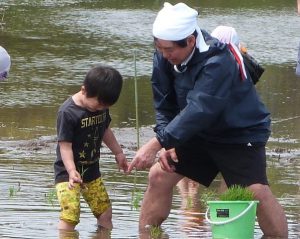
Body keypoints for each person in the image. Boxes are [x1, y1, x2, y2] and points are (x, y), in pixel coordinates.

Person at [127, 2, 288, 238]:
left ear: (190, 41)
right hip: (195, 133)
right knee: (159, 175)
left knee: (255, 190)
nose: (164, 54)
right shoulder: (164, 56)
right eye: (159, 47)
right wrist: (167, 140)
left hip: (238, 132)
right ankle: (148, 235)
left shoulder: (219, 59)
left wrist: (156, 143)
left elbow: (200, 109)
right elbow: (164, 102)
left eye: (169, 49)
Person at [54, 64, 128, 232]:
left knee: (105, 212)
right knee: (70, 215)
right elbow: (65, 147)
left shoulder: (102, 108)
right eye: (98, 105)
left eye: (105, 107)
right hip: (68, 174)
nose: (100, 109)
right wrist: (72, 171)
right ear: (84, 90)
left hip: (92, 171)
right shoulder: (68, 112)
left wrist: (118, 152)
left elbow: (105, 130)